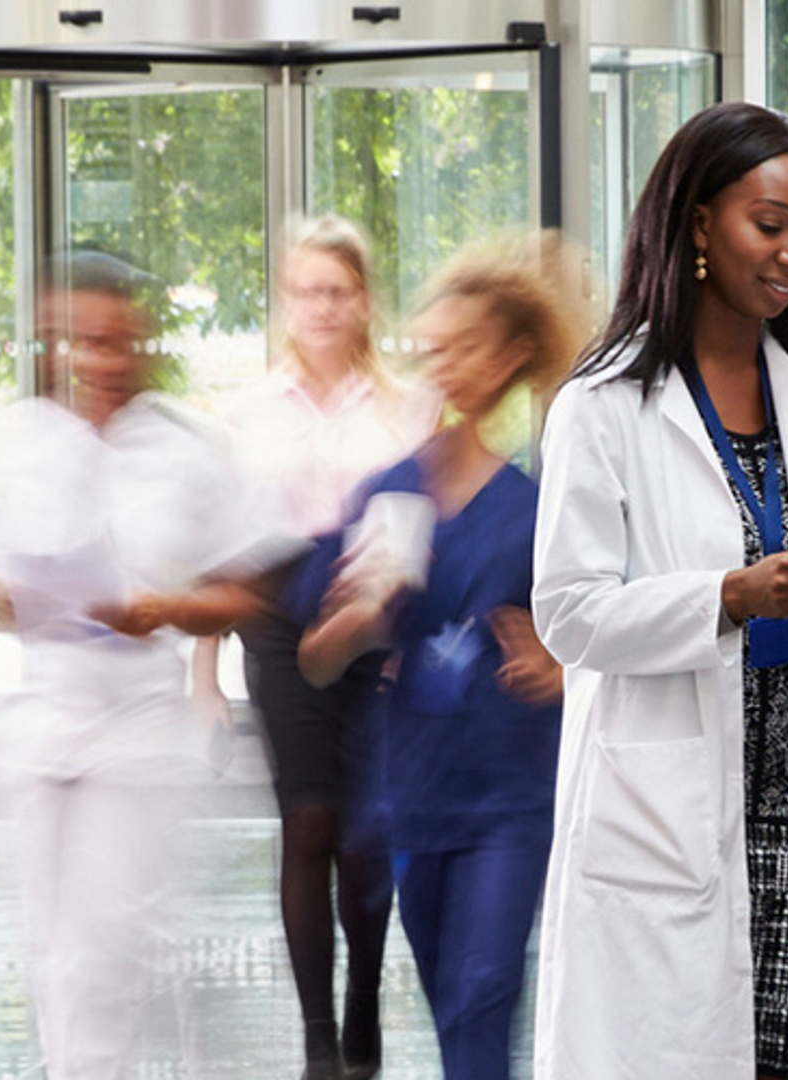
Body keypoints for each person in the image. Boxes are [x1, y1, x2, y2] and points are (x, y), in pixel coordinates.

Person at [531, 101, 788, 1080]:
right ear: (699, 222)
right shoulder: (604, 407)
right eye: (772, 223)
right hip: (671, 825)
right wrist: (729, 596)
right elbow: (568, 615)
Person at [0, 251, 296, 1080]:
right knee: (50, 945)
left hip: (136, 730)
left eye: (113, 339)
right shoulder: (8, 444)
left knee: (105, 944)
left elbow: (246, 591)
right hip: (38, 724)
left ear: (142, 335)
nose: (98, 359)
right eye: (78, 341)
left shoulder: (190, 447)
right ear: (51, 343)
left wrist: (162, 609)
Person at [294, 240, 580, 1080]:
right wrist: (358, 621)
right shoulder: (388, 493)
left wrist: (561, 671)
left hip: (511, 793)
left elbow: (599, 638)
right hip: (415, 793)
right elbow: (315, 659)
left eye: (464, 346)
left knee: (483, 994)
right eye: (432, 348)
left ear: (513, 355)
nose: (444, 365)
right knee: (451, 1006)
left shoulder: (542, 505)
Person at [218, 215, 439, 1080]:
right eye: (305, 290)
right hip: (278, 628)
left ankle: (361, 1006)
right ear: (285, 301)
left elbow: (423, 524)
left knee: (363, 835)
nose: (320, 306)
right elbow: (224, 551)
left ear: (363, 302)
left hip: (379, 624)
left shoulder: (410, 407)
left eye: (337, 291)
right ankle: (317, 1040)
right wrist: (205, 672)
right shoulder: (242, 415)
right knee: (307, 822)